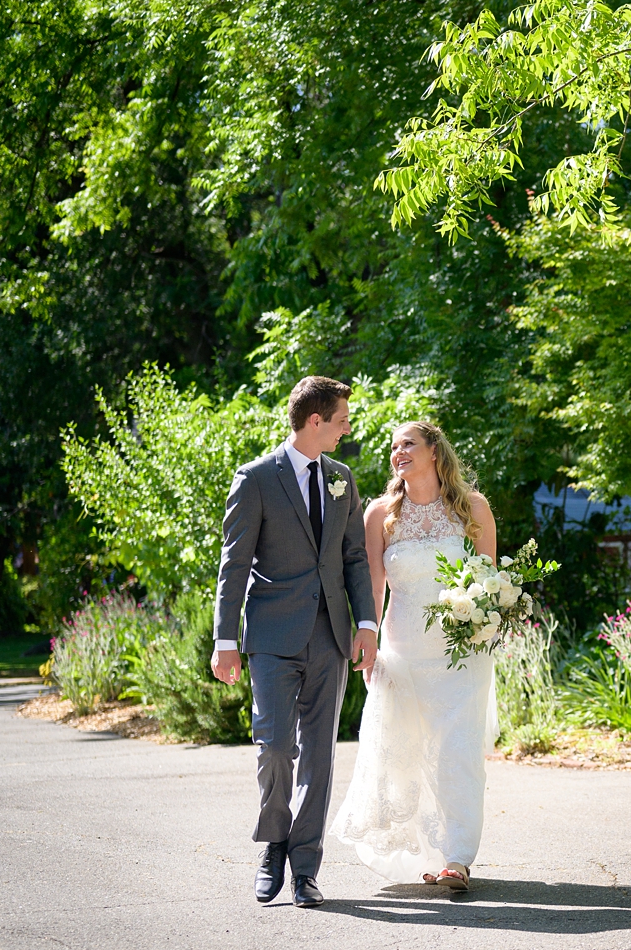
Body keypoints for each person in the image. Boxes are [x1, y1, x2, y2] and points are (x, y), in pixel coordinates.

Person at [211, 376, 378, 908]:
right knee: (276, 747)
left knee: (321, 759)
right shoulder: (256, 478)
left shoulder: (342, 479)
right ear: (315, 421)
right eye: (342, 419)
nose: (347, 427)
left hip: (329, 636)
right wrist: (224, 638)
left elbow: (354, 558)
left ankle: (305, 868)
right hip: (272, 638)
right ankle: (273, 843)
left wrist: (367, 625)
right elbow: (233, 565)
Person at [328, 421, 498, 891]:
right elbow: (373, 589)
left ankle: (458, 858)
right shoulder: (382, 514)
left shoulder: (472, 508)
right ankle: (421, 855)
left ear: (434, 451)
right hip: (402, 650)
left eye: (408, 444)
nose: (398, 452)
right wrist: (369, 641)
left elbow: (489, 582)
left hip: (462, 654)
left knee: (457, 752)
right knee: (405, 753)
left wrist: (484, 626)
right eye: (393, 447)